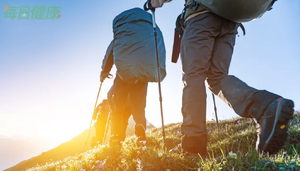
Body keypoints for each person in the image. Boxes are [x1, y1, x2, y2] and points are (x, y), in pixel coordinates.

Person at [146, 0, 295, 156]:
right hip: (231, 18)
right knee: (216, 77)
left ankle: (193, 146)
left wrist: (155, 2)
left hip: (201, 16)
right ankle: (266, 106)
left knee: (193, 77)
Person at [100, 7, 166, 144]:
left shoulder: (121, 35)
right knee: (139, 106)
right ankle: (140, 129)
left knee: (118, 107)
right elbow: (157, 47)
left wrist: (104, 72)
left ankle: (116, 137)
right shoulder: (148, 35)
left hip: (123, 75)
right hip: (142, 73)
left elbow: (111, 52)